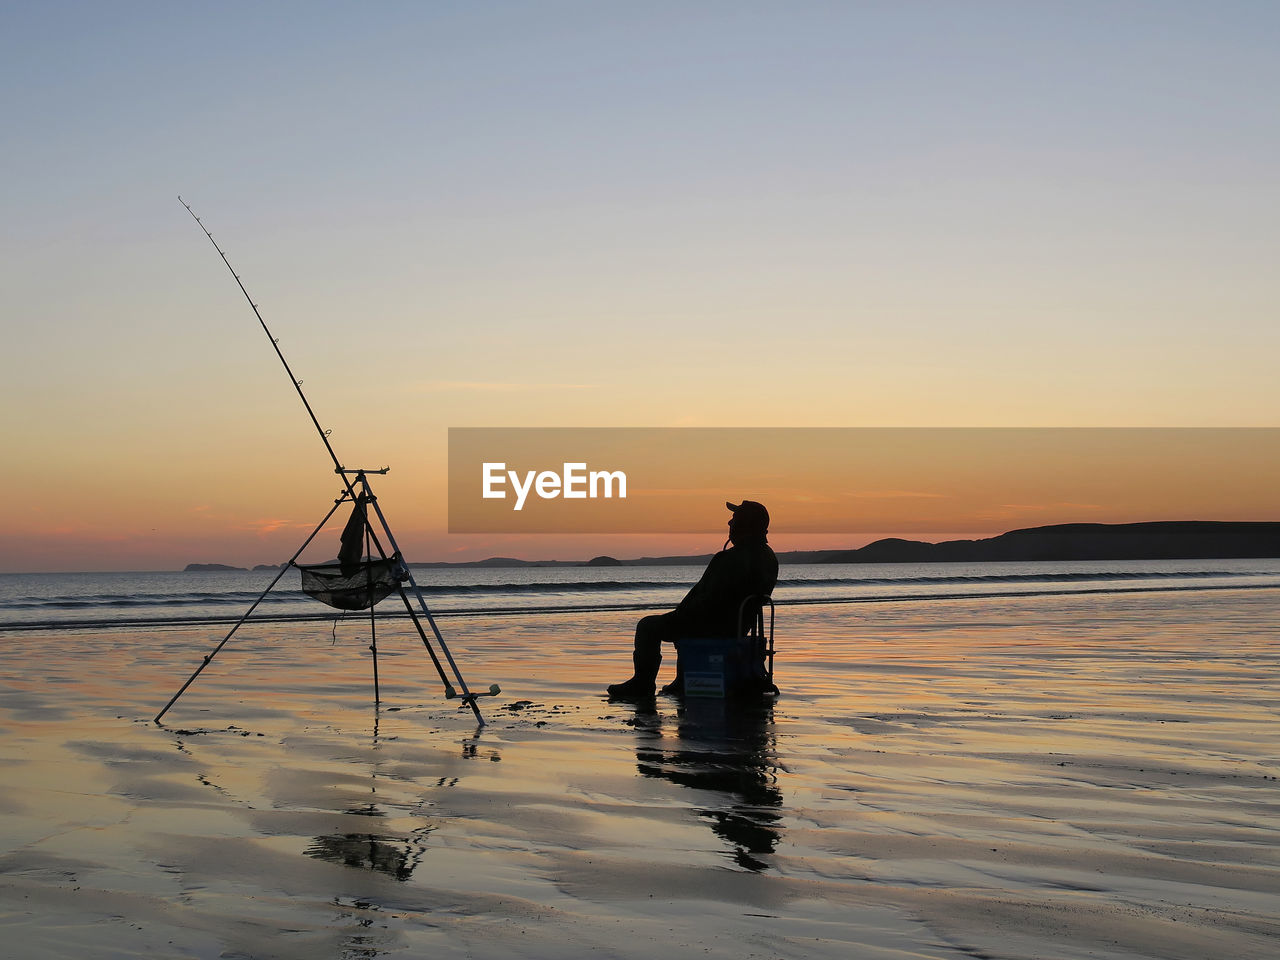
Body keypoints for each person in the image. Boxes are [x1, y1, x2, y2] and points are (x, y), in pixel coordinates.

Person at [607, 500, 778, 698]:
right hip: (737, 626)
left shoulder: (729, 559)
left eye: (734, 519)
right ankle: (682, 680)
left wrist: (681, 614)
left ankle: (642, 683)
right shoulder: (768, 557)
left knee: (647, 626)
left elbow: (706, 599)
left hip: (712, 625)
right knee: (681, 620)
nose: (729, 523)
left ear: (744, 524)